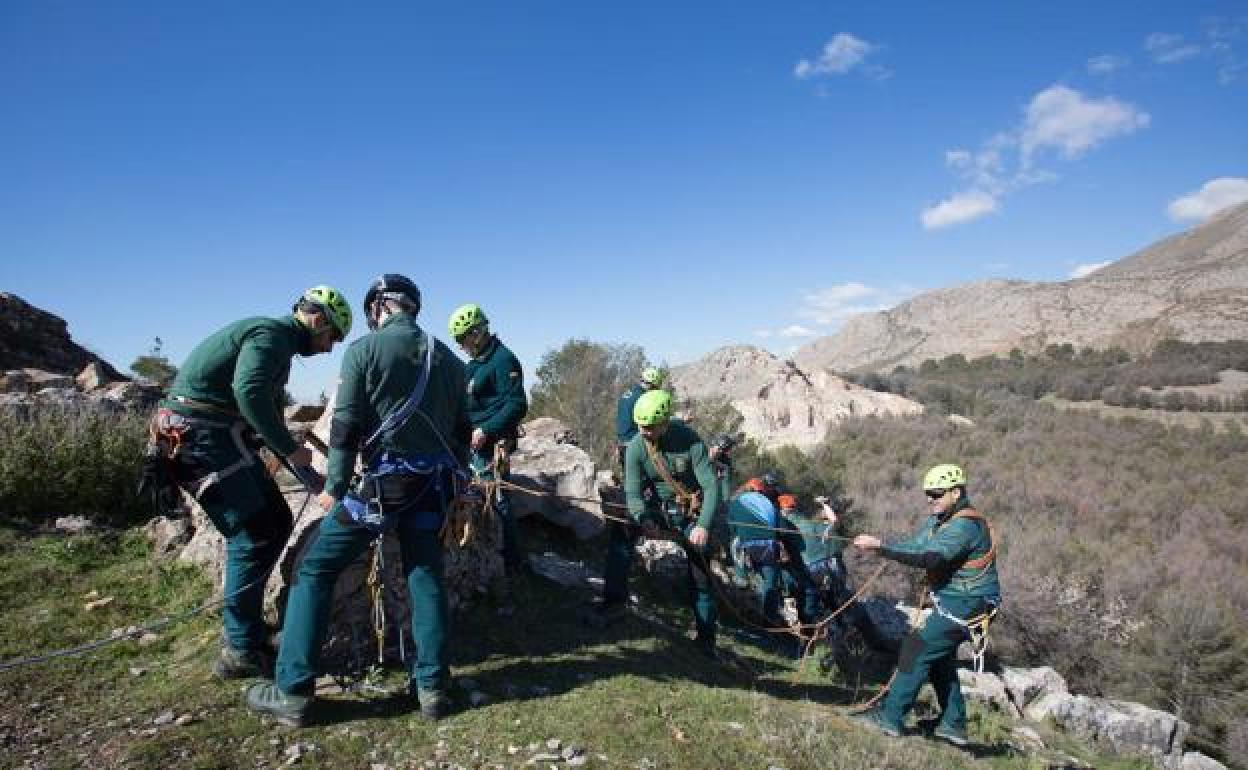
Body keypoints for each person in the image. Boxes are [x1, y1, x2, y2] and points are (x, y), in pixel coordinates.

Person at [245, 274, 469, 726]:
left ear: (378, 308)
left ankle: (292, 691)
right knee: (424, 575)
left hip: (383, 489)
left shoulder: (365, 351)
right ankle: (432, 688)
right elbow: (462, 434)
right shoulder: (448, 359)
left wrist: (335, 487)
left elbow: (345, 428)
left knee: (316, 568)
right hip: (434, 487)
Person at [155, 285, 351, 679]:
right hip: (201, 438)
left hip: (217, 436)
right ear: (317, 319)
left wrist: (297, 461)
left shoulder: (276, 344)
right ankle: (240, 648)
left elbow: (262, 405)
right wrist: (289, 450)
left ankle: (250, 631)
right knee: (253, 534)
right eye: (332, 336)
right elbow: (249, 391)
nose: (330, 348)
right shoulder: (270, 335)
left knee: (276, 520)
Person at [849, 464, 1000, 747]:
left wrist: (880, 546)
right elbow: (916, 545)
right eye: (928, 494)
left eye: (937, 493)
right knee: (938, 658)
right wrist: (878, 546)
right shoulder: (939, 520)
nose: (930, 499)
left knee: (915, 649)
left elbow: (932, 558)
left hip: (969, 604)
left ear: (956, 493)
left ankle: (890, 718)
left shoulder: (965, 526)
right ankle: (953, 726)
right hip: (960, 603)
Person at [588, 390, 723, 659]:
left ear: (665, 421)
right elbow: (634, 494)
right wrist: (644, 519)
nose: (644, 431)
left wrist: (704, 525)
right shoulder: (637, 447)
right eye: (640, 426)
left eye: (650, 427)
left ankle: (706, 640)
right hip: (657, 510)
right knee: (621, 533)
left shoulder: (689, 440)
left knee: (701, 573)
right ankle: (614, 602)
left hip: (690, 515)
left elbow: (710, 486)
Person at [447, 303, 528, 574]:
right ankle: (486, 552)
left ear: (477, 333)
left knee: (499, 499)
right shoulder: (475, 364)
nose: (461, 346)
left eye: (462, 339)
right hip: (472, 442)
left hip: (492, 445)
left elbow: (516, 404)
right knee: (475, 495)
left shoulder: (503, 360)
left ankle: (513, 561)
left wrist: (486, 430)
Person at [786, 497, 887, 652]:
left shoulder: (796, 525)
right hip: (832, 571)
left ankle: (809, 645)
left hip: (813, 571)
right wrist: (825, 504)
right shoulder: (822, 528)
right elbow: (834, 521)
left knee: (812, 607)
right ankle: (865, 639)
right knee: (842, 604)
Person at [726, 492, 820, 631]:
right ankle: (768, 623)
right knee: (771, 584)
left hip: (745, 547)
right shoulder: (771, 508)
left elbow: (732, 529)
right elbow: (783, 531)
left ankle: (741, 589)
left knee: (758, 581)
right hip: (769, 549)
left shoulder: (736, 504)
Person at [615, 367, 665, 467]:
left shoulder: (629, 393)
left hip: (622, 442)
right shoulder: (643, 398)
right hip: (633, 441)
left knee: (628, 476)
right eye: (656, 388)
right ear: (652, 385)